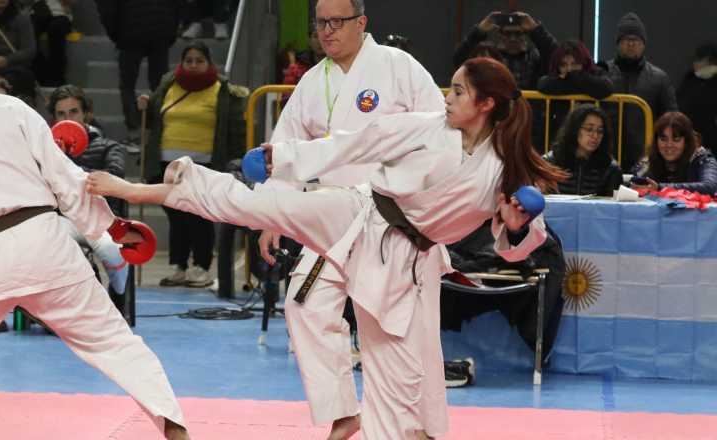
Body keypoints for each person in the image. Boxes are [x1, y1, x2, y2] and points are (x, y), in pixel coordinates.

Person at [88, 56, 567, 440]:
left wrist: (516, 226)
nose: (448, 96)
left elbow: (519, 247)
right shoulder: (430, 128)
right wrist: (285, 158)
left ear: (485, 104)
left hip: (407, 266)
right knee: (265, 206)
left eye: (459, 91)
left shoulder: (508, 170)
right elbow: (360, 142)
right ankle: (149, 189)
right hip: (362, 213)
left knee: (398, 386)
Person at [0, 31, 189, 440]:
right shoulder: (8, 107)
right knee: (113, 341)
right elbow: (65, 180)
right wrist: (111, 229)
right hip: (40, 244)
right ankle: (173, 426)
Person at [253, 0, 445, 437]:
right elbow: (284, 151)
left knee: (402, 334)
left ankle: (421, 426)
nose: (327, 31)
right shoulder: (311, 83)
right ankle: (343, 412)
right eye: (321, 23)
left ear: (362, 22)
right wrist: (272, 217)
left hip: (394, 222)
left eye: (337, 22)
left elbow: (441, 135)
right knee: (304, 305)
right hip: (332, 219)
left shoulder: (399, 67)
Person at [138, 41, 248, 288]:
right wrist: (145, 104)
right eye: (189, 61)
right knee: (177, 217)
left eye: (199, 61)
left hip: (204, 165)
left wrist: (236, 160)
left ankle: (201, 267)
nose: (194, 65)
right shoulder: (168, 84)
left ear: (210, 63)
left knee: (199, 216)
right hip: (166, 163)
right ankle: (179, 267)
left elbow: (235, 130)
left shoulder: (224, 90)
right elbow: (152, 116)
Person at [48, 84, 130, 304]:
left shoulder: (108, 146)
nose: (69, 117)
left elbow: (115, 175)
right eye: (61, 113)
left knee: (111, 250)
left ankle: (118, 295)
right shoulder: (45, 150)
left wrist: (70, 170)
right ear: (54, 118)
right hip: (61, 220)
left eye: (74, 111)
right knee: (53, 245)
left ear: (87, 114)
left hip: (101, 219)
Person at [601, 12, 678, 171]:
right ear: (617, 43)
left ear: (643, 44)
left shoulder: (660, 78)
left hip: (646, 159)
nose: (631, 44)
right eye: (626, 39)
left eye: (635, 40)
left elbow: (672, 120)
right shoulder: (601, 73)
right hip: (604, 154)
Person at [94, 0, 179, 142]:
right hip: (160, 28)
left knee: (128, 84)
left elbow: (107, 9)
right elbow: (177, 6)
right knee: (160, 84)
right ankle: (159, 128)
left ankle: (134, 131)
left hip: (130, 29)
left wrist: (116, 34)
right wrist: (170, 31)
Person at [631, 111, 717, 196]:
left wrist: (660, 188)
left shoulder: (702, 158)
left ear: (687, 142)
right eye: (663, 139)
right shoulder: (647, 161)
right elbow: (632, 182)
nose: (669, 145)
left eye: (676, 139)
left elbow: (710, 187)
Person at [543, 105, 622, 196]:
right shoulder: (549, 162)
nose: (595, 136)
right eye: (589, 129)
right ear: (575, 129)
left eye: (600, 131)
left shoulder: (611, 169)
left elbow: (613, 207)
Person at [676, 43, 717, 150]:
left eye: (700, 61)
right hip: (690, 141)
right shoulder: (689, 79)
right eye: (695, 60)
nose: (695, 64)